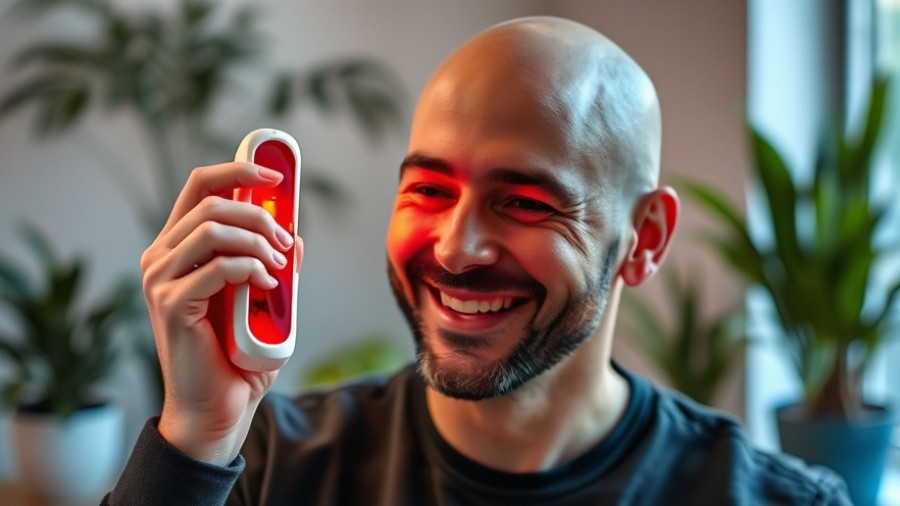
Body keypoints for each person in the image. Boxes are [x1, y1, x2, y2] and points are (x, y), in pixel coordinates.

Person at [103, 16, 850, 506]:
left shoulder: (771, 499)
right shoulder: (263, 468)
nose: (456, 247)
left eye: (525, 201)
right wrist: (196, 435)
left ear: (644, 238)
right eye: (428, 188)